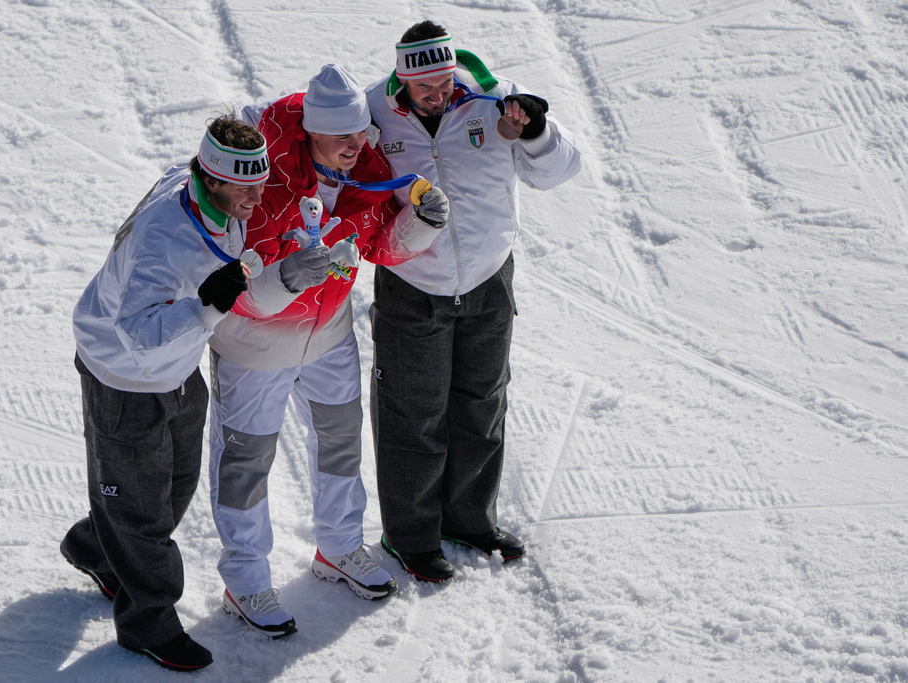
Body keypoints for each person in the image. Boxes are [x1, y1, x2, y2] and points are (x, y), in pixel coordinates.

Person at [207, 64, 449, 636]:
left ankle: (338, 548)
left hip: (329, 334)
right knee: (244, 465)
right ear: (312, 130)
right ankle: (244, 583)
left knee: (340, 445)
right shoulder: (260, 182)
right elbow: (234, 287)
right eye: (342, 135)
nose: (356, 144)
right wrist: (286, 278)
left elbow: (382, 246)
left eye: (361, 132)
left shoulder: (366, 168)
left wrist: (422, 224)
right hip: (253, 345)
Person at [365, 22, 582, 582]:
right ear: (402, 80)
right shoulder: (374, 110)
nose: (438, 94)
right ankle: (409, 536)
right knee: (413, 413)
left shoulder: (495, 102)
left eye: (444, 81)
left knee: (482, 402)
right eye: (424, 88)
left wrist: (535, 132)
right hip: (413, 283)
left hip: (488, 278)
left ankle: (470, 518)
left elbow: (559, 171)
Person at [60, 115, 270, 671]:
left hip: (178, 367)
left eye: (261, 180)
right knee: (140, 508)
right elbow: (137, 332)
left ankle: (94, 547)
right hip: (123, 376)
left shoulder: (202, 182)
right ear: (214, 178)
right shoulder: (164, 235)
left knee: (175, 484)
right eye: (245, 187)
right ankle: (147, 622)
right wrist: (207, 303)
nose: (257, 196)